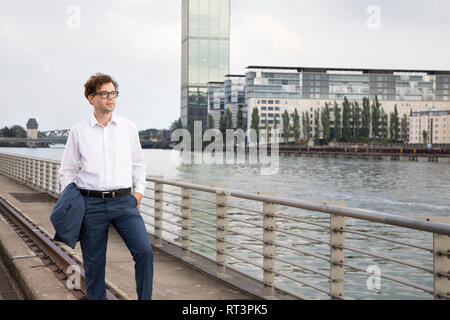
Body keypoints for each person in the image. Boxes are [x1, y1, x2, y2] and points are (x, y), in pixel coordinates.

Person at [59, 73, 153, 300]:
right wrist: (73, 201)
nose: (111, 98)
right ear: (91, 98)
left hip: (125, 203)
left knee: (145, 252)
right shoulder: (79, 131)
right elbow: (67, 170)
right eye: (104, 94)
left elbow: (139, 164)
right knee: (94, 264)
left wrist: (138, 194)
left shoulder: (128, 128)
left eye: (113, 93)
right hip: (90, 203)